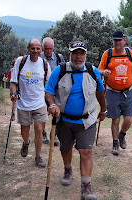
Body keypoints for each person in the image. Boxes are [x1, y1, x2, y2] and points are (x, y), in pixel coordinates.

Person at [45, 41, 107, 200]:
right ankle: (68, 169)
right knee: (65, 149)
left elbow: (100, 93)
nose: (78, 57)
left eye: (81, 53)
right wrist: (52, 104)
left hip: (87, 121)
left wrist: (104, 110)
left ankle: (86, 188)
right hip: (64, 121)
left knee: (86, 152)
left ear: (86, 55)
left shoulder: (93, 72)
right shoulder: (60, 70)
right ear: (69, 55)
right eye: (75, 53)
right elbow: (49, 92)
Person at [98, 30, 132, 156]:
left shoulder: (130, 53)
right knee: (115, 120)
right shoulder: (108, 54)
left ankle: (122, 135)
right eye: (115, 40)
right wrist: (103, 73)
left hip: (127, 92)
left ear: (124, 41)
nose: (117, 42)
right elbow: (99, 69)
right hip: (112, 92)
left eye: (119, 40)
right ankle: (115, 143)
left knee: (128, 119)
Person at [10, 38, 51, 168]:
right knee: (25, 130)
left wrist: (50, 103)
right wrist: (13, 93)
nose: (35, 51)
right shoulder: (20, 62)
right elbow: (13, 81)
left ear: (41, 50)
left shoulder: (44, 64)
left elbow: (49, 84)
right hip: (23, 103)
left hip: (39, 102)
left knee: (39, 129)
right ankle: (26, 142)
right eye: (33, 48)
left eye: (38, 48)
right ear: (28, 48)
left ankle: (38, 156)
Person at [40, 37, 64, 146]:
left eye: (50, 49)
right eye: (46, 49)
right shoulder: (38, 58)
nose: (49, 51)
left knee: (56, 112)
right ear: (42, 48)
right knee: (44, 113)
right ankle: (43, 133)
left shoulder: (59, 58)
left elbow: (64, 72)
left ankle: (53, 134)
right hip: (41, 90)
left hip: (56, 90)